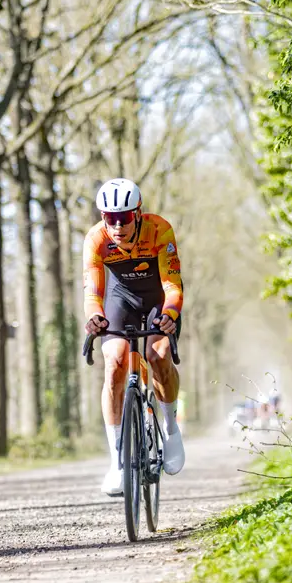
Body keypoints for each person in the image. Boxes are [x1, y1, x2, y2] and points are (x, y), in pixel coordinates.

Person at [83, 178, 185, 495]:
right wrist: (94, 317)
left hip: (157, 299)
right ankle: (117, 459)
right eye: (109, 217)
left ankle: (171, 429)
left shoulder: (159, 230)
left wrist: (170, 314)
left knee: (158, 355)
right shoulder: (96, 239)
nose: (117, 225)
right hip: (120, 299)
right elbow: (93, 292)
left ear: (137, 214)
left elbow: (173, 285)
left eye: (124, 217)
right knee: (115, 362)